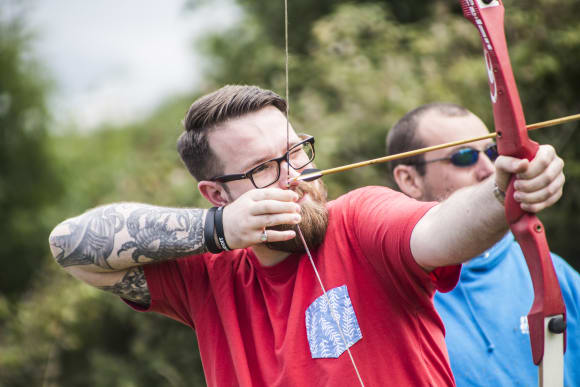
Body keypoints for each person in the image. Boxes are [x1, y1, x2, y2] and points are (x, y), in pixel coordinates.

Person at [49, 86, 565, 387]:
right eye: (264, 168)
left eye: (297, 152)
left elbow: (439, 232)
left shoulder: (362, 217)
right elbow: (70, 246)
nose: (295, 175)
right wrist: (217, 231)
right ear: (216, 194)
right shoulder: (207, 275)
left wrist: (504, 190)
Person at [386, 102, 580, 386]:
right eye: (464, 157)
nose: (489, 169)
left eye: (492, 151)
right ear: (410, 179)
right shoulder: (393, 290)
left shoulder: (554, 272)